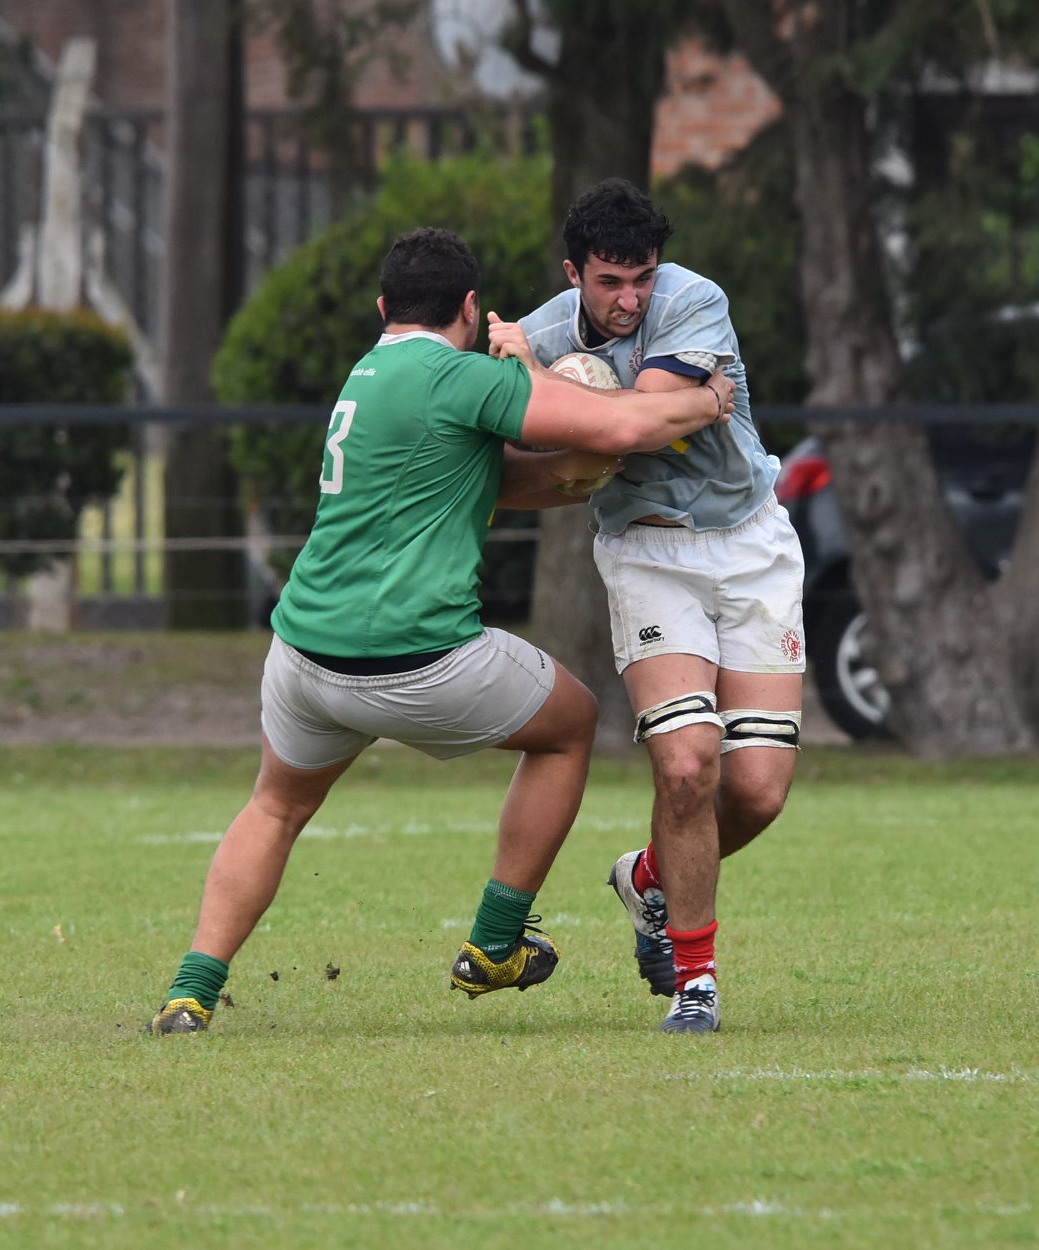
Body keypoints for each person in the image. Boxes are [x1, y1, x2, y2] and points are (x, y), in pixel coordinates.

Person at [147, 226, 736, 1035]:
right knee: (569, 726)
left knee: (275, 807)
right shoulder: (459, 377)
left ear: (383, 307)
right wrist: (705, 400)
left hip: (303, 654)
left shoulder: (368, 372)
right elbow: (616, 429)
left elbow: (502, 477)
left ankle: (190, 993)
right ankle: (496, 945)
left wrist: (571, 477)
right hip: (416, 658)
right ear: (469, 306)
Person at [489, 179, 808, 1035]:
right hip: (647, 551)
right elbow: (525, 439)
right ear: (573, 273)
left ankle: (649, 881)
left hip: (751, 544)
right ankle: (695, 984)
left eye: (642, 278)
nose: (631, 299)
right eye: (609, 282)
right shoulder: (546, 332)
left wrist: (547, 393)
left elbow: (626, 426)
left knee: (759, 791)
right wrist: (534, 385)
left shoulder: (695, 300)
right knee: (685, 766)